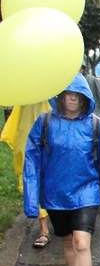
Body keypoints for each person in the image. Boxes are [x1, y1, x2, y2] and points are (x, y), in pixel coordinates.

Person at [23, 73, 100, 266]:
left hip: (86, 193)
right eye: (68, 93)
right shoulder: (44, 123)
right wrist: (32, 202)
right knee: (68, 243)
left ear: (85, 96)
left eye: (77, 94)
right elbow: (31, 162)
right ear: (60, 97)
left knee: (82, 243)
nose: (72, 98)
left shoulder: (95, 125)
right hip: (55, 195)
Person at [1, 101, 53, 248]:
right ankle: (44, 230)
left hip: (56, 138)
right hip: (31, 136)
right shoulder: (28, 96)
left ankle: (64, 223)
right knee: (34, 181)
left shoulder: (61, 90)